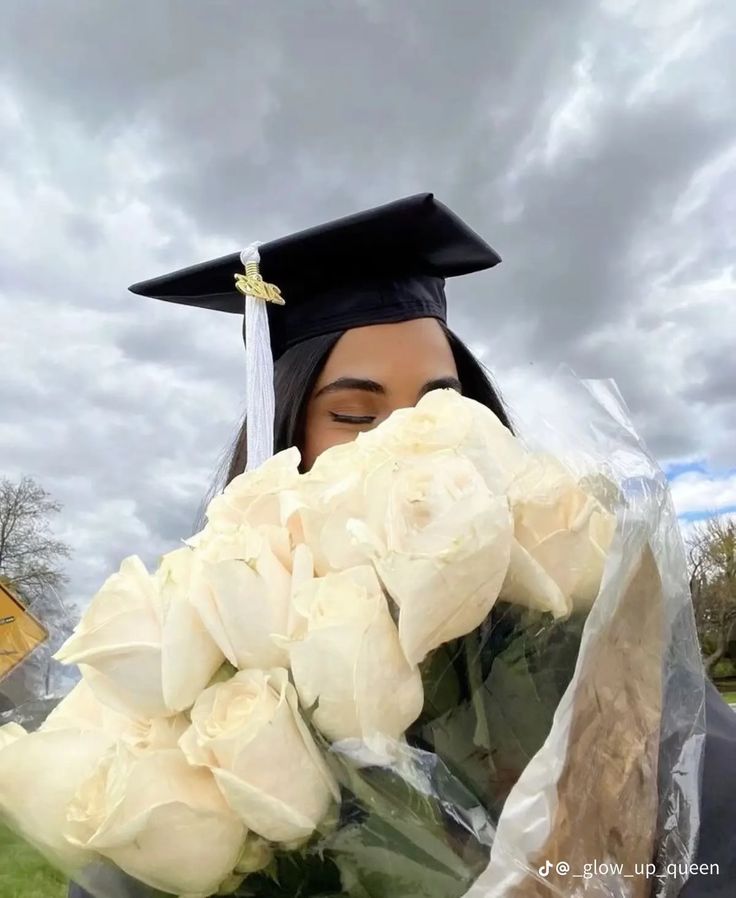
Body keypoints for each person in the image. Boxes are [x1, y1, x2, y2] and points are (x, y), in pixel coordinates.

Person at [69, 194, 734, 898]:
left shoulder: (583, 645)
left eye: (442, 404)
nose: (411, 445)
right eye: (356, 415)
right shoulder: (216, 670)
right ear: (284, 437)